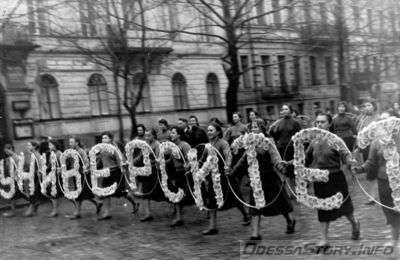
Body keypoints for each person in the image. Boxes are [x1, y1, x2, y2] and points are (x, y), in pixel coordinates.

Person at [293, 112, 360, 249]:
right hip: (319, 180)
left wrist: (350, 161)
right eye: (317, 122)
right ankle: (324, 240)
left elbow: (346, 155)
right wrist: (289, 164)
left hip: (335, 178)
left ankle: (354, 223)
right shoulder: (313, 141)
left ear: (329, 124)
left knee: (345, 208)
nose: (319, 124)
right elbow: (304, 159)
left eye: (323, 122)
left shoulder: (336, 140)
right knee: (322, 209)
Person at [229, 119, 296, 240]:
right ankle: (255, 233)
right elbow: (243, 161)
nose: (253, 129)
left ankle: (290, 220)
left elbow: (276, 159)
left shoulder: (268, 142)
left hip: (270, 178)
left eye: (256, 127)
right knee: (255, 207)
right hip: (256, 179)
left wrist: (282, 168)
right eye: (252, 127)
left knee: (280, 203)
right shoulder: (249, 143)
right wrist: (233, 173)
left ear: (262, 129)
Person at [353, 114, 400, 248]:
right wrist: (360, 169)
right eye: (381, 122)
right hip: (384, 182)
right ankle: (395, 241)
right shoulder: (376, 143)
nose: (385, 125)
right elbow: (371, 162)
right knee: (391, 212)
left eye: (387, 122)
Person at [199, 122, 249, 235]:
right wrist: (194, 165)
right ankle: (212, 227)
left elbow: (228, 156)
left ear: (217, 132)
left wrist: (227, 166)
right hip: (212, 176)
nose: (209, 132)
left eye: (211, 130)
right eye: (208, 130)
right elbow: (202, 159)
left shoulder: (223, 143)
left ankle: (245, 215)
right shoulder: (208, 145)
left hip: (224, 175)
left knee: (235, 197)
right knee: (212, 200)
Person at [133, 128, 166, 222]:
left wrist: (155, 161)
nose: (147, 137)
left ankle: (177, 207)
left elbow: (159, 159)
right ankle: (148, 213)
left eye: (149, 136)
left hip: (155, 172)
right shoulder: (145, 144)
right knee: (145, 192)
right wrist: (131, 162)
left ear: (154, 136)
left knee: (163, 192)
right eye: (146, 135)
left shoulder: (157, 145)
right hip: (147, 171)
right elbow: (140, 157)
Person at [269, 104, 302, 199]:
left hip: (293, 148)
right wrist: (272, 132)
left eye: (286, 109)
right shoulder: (278, 123)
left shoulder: (295, 122)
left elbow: (300, 135)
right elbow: (273, 134)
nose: (284, 111)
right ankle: (289, 192)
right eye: (283, 109)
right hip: (282, 149)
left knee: (295, 169)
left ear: (290, 110)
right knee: (285, 170)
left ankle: (298, 191)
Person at [65, 136, 102, 219]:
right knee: (85, 194)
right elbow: (70, 163)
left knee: (80, 193)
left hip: (82, 175)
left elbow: (86, 161)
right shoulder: (71, 151)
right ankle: (97, 203)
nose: (70, 144)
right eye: (69, 142)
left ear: (77, 143)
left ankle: (77, 213)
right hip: (76, 174)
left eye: (71, 142)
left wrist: (85, 169)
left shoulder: (81, 151)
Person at [165, 126, 194, 227]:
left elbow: (191, 158)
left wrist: (188, 164)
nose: (171, 135)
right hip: (177, 173)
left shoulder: (184, 145)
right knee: (177, 194)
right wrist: (162, 162)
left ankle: (209, 210)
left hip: (186, 174)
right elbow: (172, 160)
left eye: (173, 133)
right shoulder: (173, 146)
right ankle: (179, 218)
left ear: (179, 135)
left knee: (194, 194)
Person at [355, 99, 380, 205]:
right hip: (366, 149)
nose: (366, 107)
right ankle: (373, 197)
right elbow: (359, 134)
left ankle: (380, 195)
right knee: (370, 173)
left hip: (377, 148)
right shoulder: (362, 119)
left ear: (374, 106)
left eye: (368, 105)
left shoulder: (378, 118)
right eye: (365, 105)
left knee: (380, 172)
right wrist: (357, 147)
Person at [2, 143, 26, 217]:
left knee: (14, 195)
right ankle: (34, 203)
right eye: (5, 152)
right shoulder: (8, 158)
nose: (6, 153)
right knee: (19, 194)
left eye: (7, 151)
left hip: (17, 179)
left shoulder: (16, 157)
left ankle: (13, 212)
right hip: (12, 179)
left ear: (11, 149)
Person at [22, 141, 43, 217]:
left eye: (29, 145)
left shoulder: (37, 155)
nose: (28, 147)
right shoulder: (31, 155)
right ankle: (35, 205)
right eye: (27, 145)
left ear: (34, 147)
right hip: (30, 175)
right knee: (31, 191)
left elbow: (40, 164)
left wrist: (39, 172)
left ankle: (31, 209)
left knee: (33, 192)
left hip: (36, 176)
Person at [44, 140, 63, 217]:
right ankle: (55, 210)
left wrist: (60, 170)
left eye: (51, 145)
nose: (49, 147)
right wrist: (44, 170)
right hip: (52, 175)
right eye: (49, 145)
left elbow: (63, 165)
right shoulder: (51, 154)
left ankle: (55, 210)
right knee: (52, 192)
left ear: (55, 145)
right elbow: (49, 165)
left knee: (54, 193)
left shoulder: (60, 154)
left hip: (58, 176)